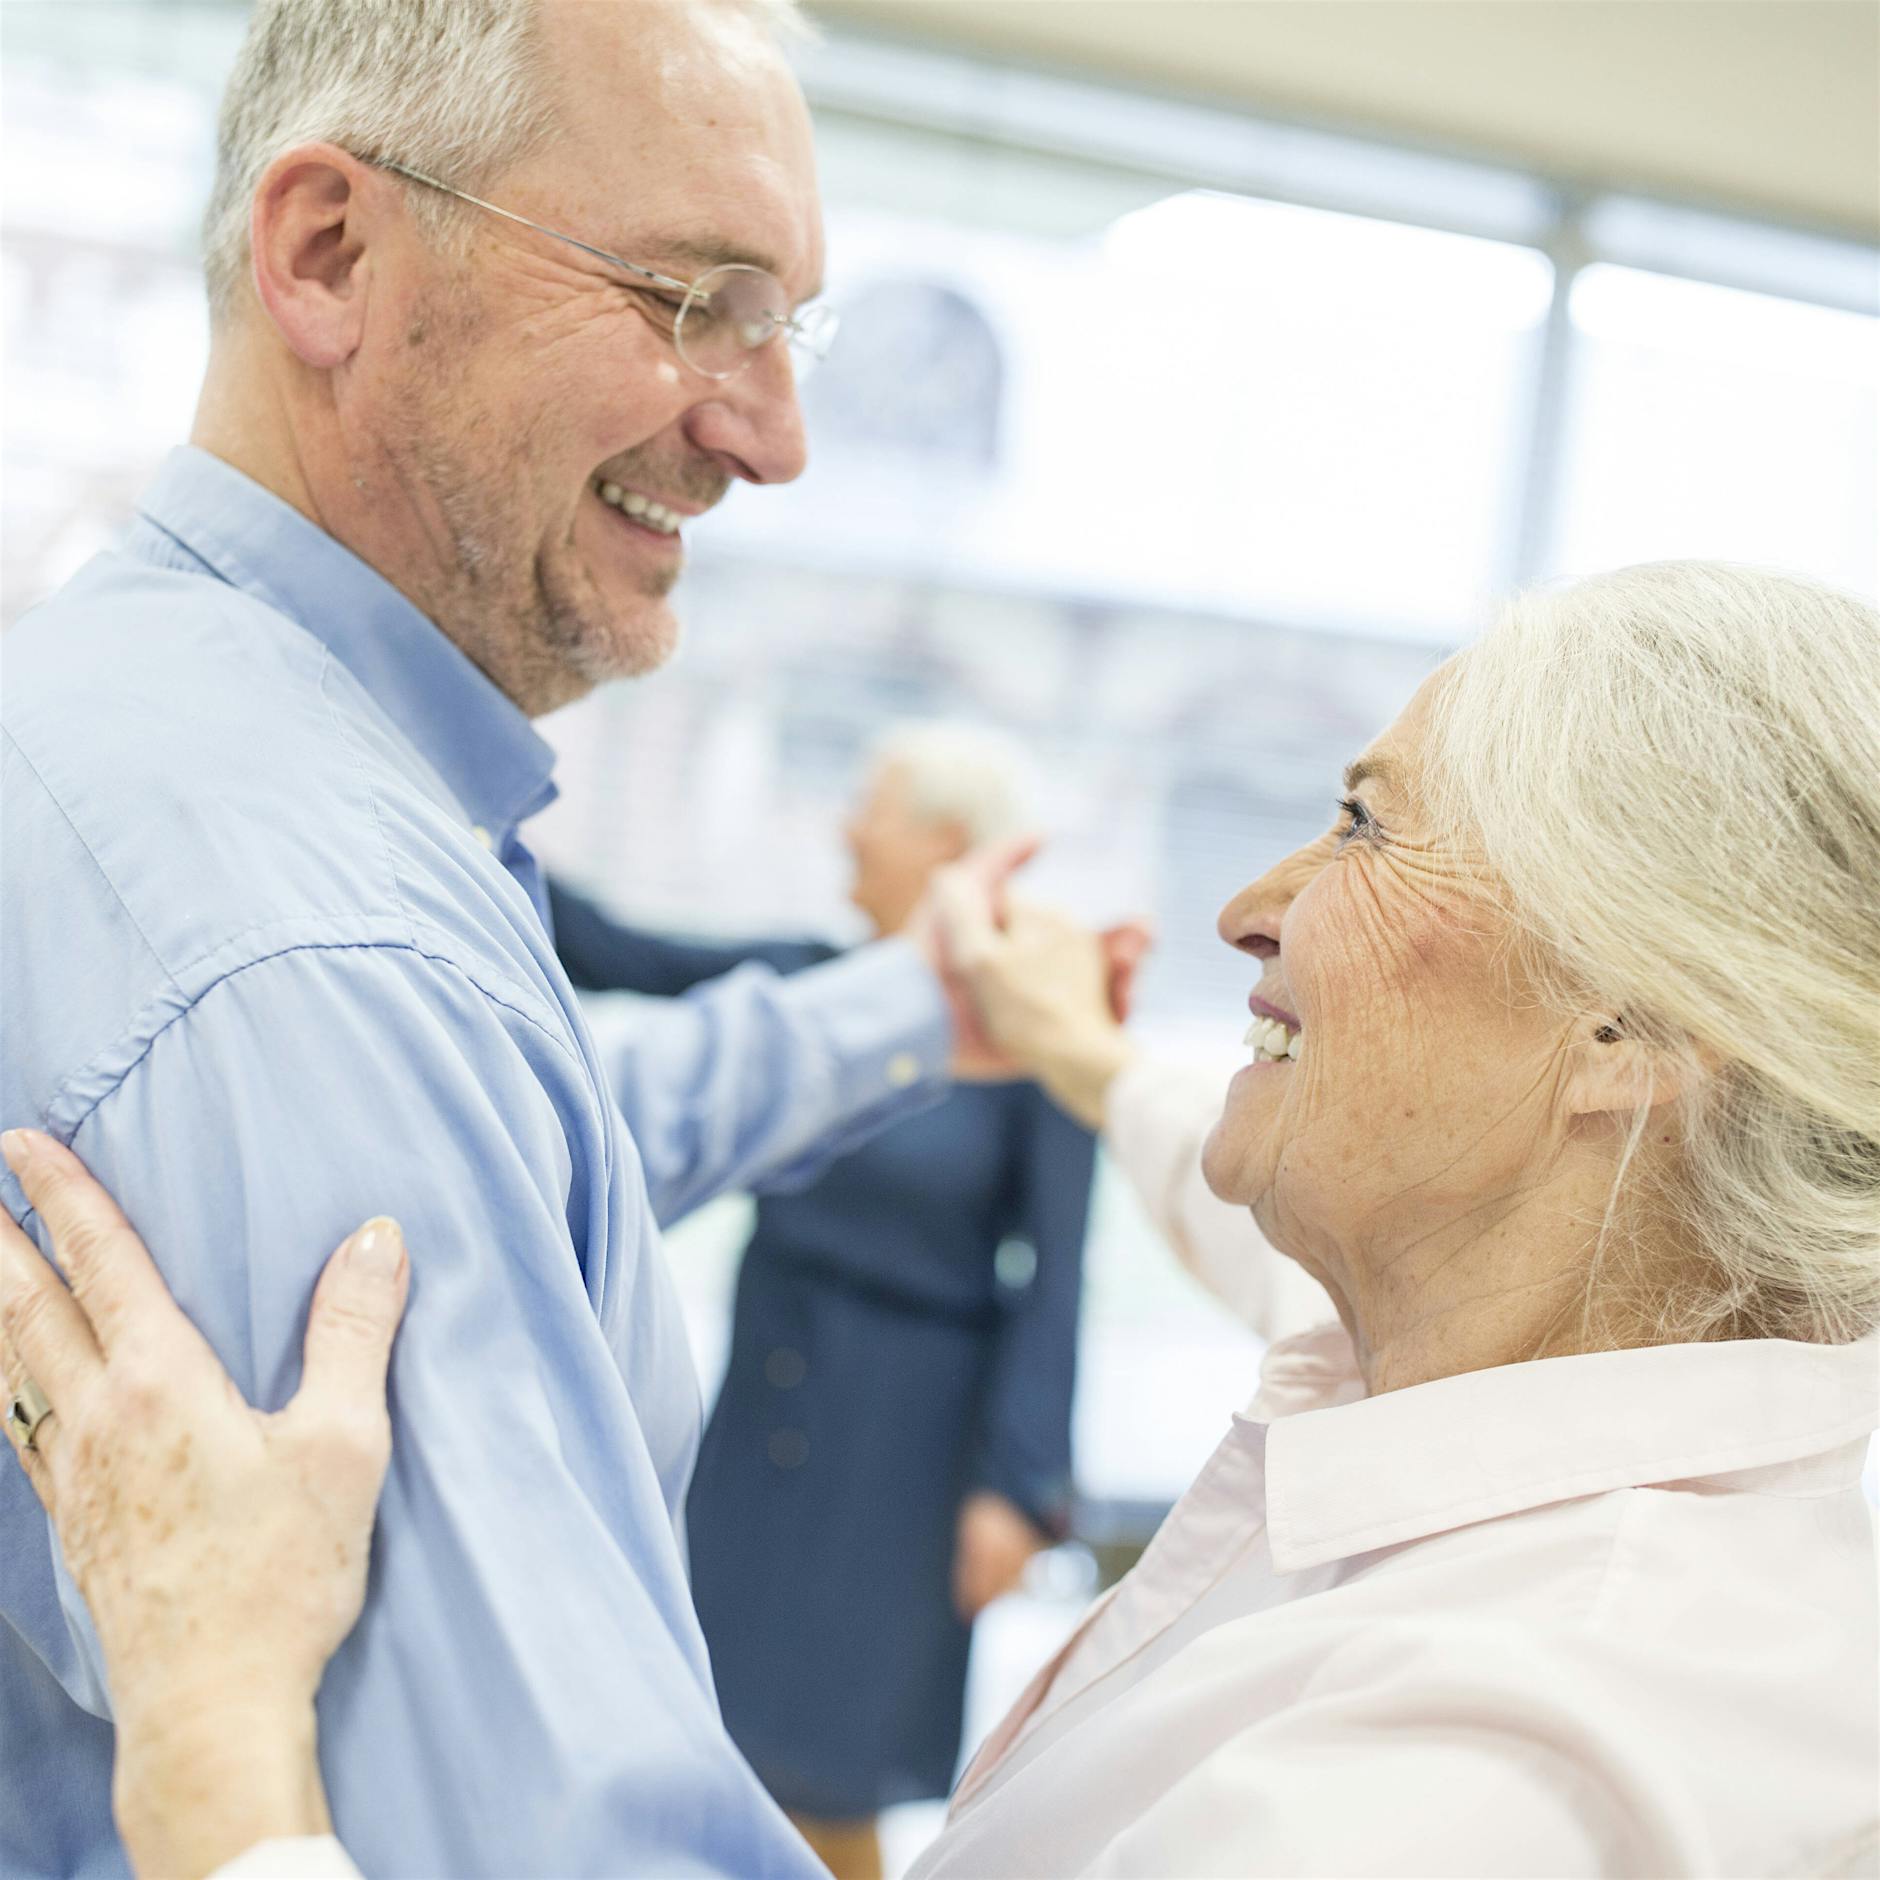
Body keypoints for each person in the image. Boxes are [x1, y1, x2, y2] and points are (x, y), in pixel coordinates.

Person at [7, 562, 1877, 1879]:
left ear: (1630, 1032)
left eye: (1371, 830)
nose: (1253, 899)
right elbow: (1195, 1190)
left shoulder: (1496, 1776)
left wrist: (214, 1735)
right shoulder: (1635, 1330)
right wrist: (1063, 1049)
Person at [0, 3, 1088, 1874]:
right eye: (698, 300)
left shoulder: (148, 726)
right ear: (330, 253)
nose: (776, 436)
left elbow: (555, 1120)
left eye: (788, 322)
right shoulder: (313, 963)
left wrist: (923, 1003)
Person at [552, 724, 1098, 1880]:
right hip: (766, 1398)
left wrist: (1016, 1483)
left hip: (906, 1432)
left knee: (830, 1762)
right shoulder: (816, 978)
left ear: (947, 845)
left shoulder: (1028, 1021)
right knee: (707, 1722)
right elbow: (616, 951)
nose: (848, 825)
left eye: (875, 805)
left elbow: (1057, 1272)